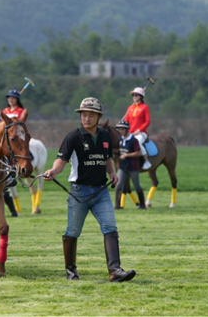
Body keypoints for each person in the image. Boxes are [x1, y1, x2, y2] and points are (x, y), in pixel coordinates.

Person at [44, 97, 136, 282]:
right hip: (79, 192)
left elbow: (107, 159)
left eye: (91, 115)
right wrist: (53, 171)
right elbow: (61, 160)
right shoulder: (72, 137)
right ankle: (71, 271)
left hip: (101, 191)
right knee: (73, 231)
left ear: (98, 116)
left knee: (110, 227)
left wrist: (112, 173)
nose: (86, 118)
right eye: (84, 114)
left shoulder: (105, 136)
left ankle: (115, 271)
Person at [114, 120, 146, 210]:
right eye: (119, 129)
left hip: (133, 167)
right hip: (122, 167)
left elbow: (138, 153)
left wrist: (126, 155)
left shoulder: (133, 140)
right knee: (118, 185)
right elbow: (119, 150)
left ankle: (142, 205)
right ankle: (117, 205)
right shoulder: (120, 139)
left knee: (137, 186)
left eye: (122, 129)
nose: (120, 131)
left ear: (127, 130)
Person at [124, 87, 152, 170]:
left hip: (141, 133)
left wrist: (139, 130)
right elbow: (126, 122)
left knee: (136, 142)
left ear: (141, 96)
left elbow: (147, 122)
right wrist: (122, 126)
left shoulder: (145, 107)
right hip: (130, 133)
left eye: (136, 95)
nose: (134, 96)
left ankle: (146, 161)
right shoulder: (130, 108)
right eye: (133, 95)